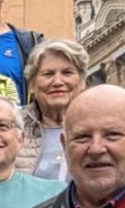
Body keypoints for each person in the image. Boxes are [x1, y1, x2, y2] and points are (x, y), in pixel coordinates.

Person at [15, 40, 88, 182]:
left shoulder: (101, 123)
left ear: (82, 81)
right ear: (31, 84)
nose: (58, 82)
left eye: (67, 73)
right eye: (48, 74)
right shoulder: (12, 126)